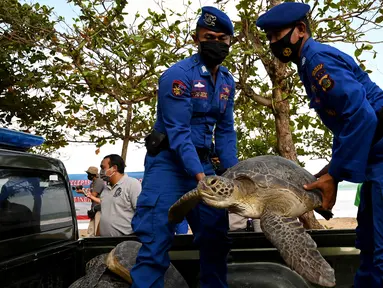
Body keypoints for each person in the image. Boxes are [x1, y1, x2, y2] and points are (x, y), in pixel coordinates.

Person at [256, 3, 383, 287]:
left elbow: (362, 118)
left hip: (380, 155)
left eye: (278, 35)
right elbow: (347, 126)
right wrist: (329, 170)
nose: (274, 43)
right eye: (270, 39)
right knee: (369, 245)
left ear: (301, 30)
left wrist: (335, 176)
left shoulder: (317, 61)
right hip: (374, 157)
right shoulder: (307, 62)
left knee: (380, 252)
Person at [130, 6, 238, 288]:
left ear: (230, 42)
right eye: (209, 36)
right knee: (155, 242)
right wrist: (199, 177)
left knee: (216, 239)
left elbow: (225, 130)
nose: (216, 42)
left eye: (222, 38)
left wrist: (232, 174)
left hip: (205, 164)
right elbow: (178, 132)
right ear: (196, 38)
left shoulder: (227, 82)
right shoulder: (177, 76)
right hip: (169, 165)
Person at [97, 154, 142, 237]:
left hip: (126, 240)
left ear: (114, 168)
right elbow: (104, 215)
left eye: (103, 167)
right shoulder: (105, 190)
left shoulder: (132, 184)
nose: (101, 171)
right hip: (105, 242)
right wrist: (97, 236)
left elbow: (141, 213)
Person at [79, 166, 105, 236]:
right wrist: (82, 191)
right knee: (91, 231)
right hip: (94, 209)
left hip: (99, 209)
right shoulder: (92, 183)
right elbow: (90, 195)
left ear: (93, 174)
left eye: (89, 174)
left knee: (96, 231)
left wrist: (83, 191)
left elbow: (93, 195)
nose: (88, 175)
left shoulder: (98, 181)